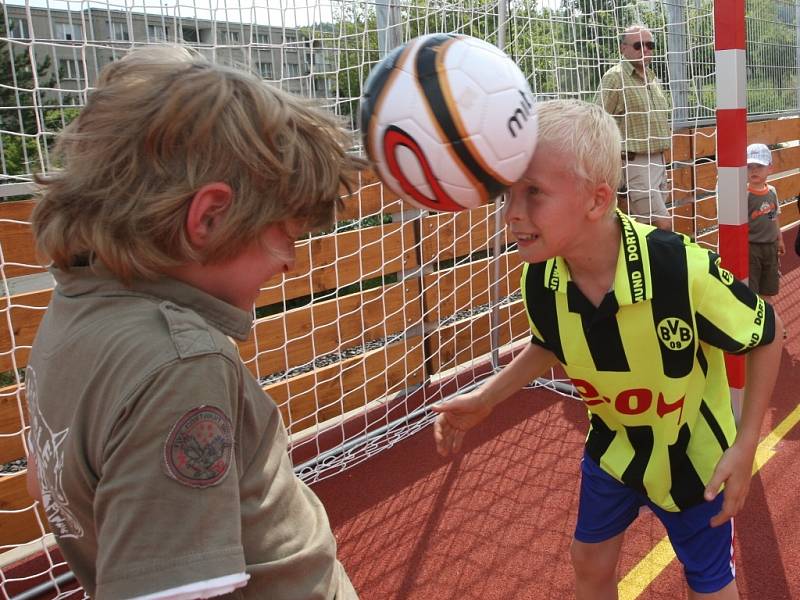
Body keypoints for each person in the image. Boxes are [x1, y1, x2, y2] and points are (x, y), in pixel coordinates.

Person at [24, 46, 364, 600]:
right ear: (209, 216)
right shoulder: (183, 363)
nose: (290, 261)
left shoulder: (76, 308)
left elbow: (47, 478)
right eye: (287, 233)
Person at [433, 99, 784, 600]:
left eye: (533, 193)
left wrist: (746, 442)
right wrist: (487, 398)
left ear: (598, 200)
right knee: (589, 563)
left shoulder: (678, 270)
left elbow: (766, 333)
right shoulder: (541, 278)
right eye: (508, 194)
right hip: (614, 448)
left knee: (711, 587)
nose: (511, 214)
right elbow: (548, 343)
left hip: (693, 461)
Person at [597, 24, 673, 232]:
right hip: (635, 163)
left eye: (650, 45)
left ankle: (641, 265)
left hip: (658, 160)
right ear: (623, 49)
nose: (645, 50)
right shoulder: (615, 78)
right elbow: (598, 118)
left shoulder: (652, 77)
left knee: (645, 227)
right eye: (638, 45)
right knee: (663, 225)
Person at [746, 143, 785, 300]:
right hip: (751, 248)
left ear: (770, 168)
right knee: (751, 290)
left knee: (768, 289)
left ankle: (768, 318)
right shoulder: (744, 194)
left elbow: (774, 216)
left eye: (759, 166)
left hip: (770, 247)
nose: (754, 170)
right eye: (749, 166)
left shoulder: (772, 191)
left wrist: (780, 238)